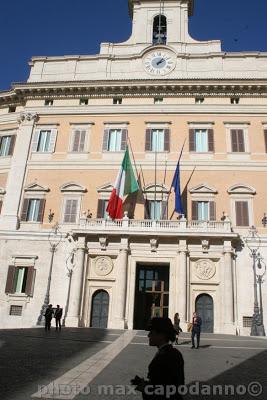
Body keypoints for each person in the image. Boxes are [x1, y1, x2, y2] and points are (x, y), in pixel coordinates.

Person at [131, 317, 184, 399]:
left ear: (161, 335)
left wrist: (144, 388)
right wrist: (145, 384)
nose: (148, 335)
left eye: (152, 332)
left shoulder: (163, 357)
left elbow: (161, 392)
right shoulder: (174, 352)